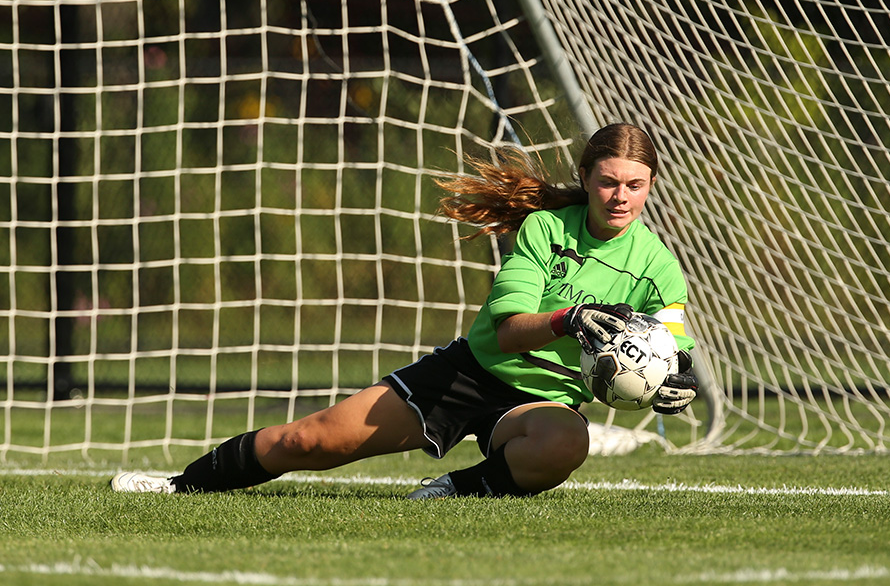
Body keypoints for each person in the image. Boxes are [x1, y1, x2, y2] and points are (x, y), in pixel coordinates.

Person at [110, 123, 698, 499]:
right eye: (608, 182)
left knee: (568, 442)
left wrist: (679, 377)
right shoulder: (546, 229)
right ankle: (181, 482)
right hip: (466, 374)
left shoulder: (658, 265)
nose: (620, 196)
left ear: (650, 186)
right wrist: (567, 319)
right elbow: (508, 330)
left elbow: (673, 346)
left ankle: (454, 490)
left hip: (541, 403)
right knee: (311, 442)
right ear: (586, 180)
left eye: (635, 185)